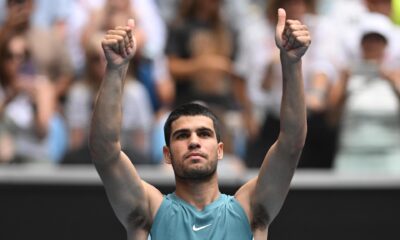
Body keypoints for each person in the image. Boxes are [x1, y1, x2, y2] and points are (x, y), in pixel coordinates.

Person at [89, 8, 310, 240]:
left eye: (204, 134)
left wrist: (292, 62)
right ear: (167, 154)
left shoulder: (250, 208)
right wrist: (116, 68)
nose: (194, 141)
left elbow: (291, 143)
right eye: (182, 135)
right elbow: (105, 151)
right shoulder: (149, 212)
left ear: (220, 149)